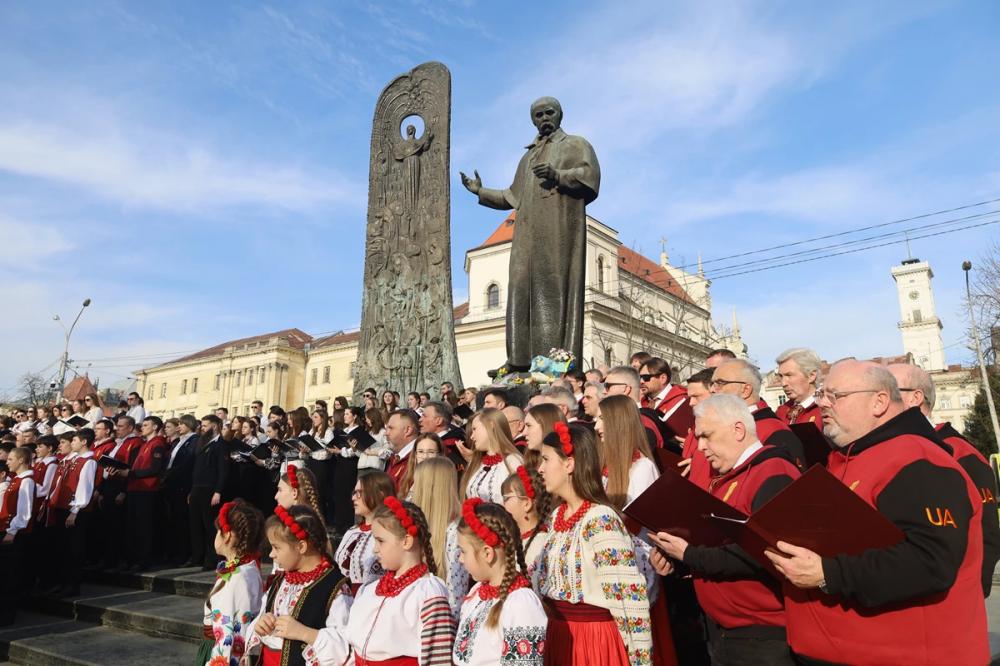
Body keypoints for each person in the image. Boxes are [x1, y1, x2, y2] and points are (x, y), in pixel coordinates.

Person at [765, 360, 988, 664]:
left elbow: (930, 562)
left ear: (880, 401)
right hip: (836, 649)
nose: (822, 403)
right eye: (821, 394)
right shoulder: (847, 456)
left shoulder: (917, 460)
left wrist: (827, 573)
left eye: (835, 396)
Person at [649, 394, 800, 665]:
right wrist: (675, 559)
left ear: (738, 430)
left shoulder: (773, 471)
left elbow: (764, 552)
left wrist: (690, 555)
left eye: (707, 436)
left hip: (763, 636)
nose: (701, 447)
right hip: (725, 631)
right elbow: (713, 541)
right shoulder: (724, 477)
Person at [534, 423, 652, 665]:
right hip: (560, 636)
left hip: (594, 642)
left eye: (546, 459)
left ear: (569, 463)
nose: (540, 468)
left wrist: (641, 660)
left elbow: (629, 600)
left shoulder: (601, 520)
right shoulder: (558, 516)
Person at [889, 362, 1000, 596]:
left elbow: (987, 534)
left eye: (890, 389)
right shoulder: (889, 449)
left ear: (915, 397)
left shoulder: (961, 452)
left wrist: (969, 598)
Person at [344, 497, 455, 665]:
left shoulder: (427, 593)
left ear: (406, 541)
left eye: (380, 541)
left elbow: (438, 660)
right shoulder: (370, 589)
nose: (375, 549)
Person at [245, 505, 347, 665]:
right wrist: (260, 625)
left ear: (301, 546)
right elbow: (259, 621)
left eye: (276, 547)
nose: (271, 554)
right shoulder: (281, 580)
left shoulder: (334, 587)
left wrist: (304, 633)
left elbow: (343, 645)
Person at [453, 499, 547, 665]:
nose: (460, 559)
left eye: (463, 551)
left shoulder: (521, 604)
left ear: (487, 553)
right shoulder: (477, 592)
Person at [197, 499, 264, 666]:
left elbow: (229, 639)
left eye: (218, 531)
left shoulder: (237, 578)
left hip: (220, 653)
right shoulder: (246, 567)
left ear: (227, 535)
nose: (216, 536)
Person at [710, 359, 805, 466]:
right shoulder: (726, 425)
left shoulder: (775, 433)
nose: (712, 390)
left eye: (720, 383)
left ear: (745, 390)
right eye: (712, 383)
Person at [411, 456, 470, 617]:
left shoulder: (455, 533)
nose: (412, 489)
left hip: (439, 625)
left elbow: (455, 598)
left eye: (416, 484)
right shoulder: (414, 526)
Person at [51, 428, 97, 596]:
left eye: (75, 440)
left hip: (76, 510)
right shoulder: (74, 460)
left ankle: (72, 584)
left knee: (74, 548)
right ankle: (63, 582)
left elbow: (84, 488)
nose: (72, 443)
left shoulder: (89, 461)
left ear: (84, 442)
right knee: (63, 547)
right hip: (65, 507)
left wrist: (75, 510)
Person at [594, 395, 659, 508]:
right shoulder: (606, 464)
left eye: (603, 418)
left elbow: (641, 518)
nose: (596, 426)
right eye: (596, 419)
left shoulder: (643, 468)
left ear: (620, 422)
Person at [336, 471, 396, 591]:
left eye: (359, 493)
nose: (353, 498)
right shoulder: (351, 532)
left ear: (379, 494)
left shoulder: (389, 533)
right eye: (354, 493)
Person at [98, 416, 143, 569]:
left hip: (121, 486)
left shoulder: (135, 443)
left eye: (121, 426)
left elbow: (130, 468)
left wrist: (123, 491)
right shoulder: (117, 444)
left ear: (130, 428)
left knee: (116, 525)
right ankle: (107, 558)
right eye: (117, 426)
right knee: (107, 524)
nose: (117, 429)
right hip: (109, 484)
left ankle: (115, 559)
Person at [0, 446, 36, 624]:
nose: (7, 462)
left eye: (10, 459)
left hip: (14, 534)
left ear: (21, 460)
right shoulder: (17, 479)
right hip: (6, 531)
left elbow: (24, 511)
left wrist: (12, 531)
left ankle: (8, 614)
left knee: (10, 574)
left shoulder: (26, 481)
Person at [190, 415, 230, 570]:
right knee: (196, 524)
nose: (202, 428)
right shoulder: (202, 443)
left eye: (206, 426)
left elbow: (223, 471)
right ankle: (197, 556)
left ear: (214, 426)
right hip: (197, 488)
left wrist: (218, 491)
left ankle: (212, 558)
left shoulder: (221, 445)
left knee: (209, 525)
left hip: (210, 490)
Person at [501, 465, 553, 578]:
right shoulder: (515, 540)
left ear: (526, 504)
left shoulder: (540, 545)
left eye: (506, 498)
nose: (502, 504)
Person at [461, 409, 523, 503]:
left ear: (491, 425)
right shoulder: (475, 463)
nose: (472, 437)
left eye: (474, 429)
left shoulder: (513, 462)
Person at [605, 365, 666, 451]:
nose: (604, 391)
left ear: (626, 389)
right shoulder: (625, 417)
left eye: (608, 386)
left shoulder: (643, 423)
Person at [163, 414, 197, 566]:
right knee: (174, 520)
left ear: (189, 425)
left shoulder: (193, 441)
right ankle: (174, 552)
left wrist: (171, 472)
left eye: (182, 424)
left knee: (182, 520)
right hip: (172, 483)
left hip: (182, 484)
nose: (179, 427)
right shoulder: (181, 441)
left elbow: (188, 462)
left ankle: (183, 553)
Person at [639, 357, 693, 444]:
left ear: (663, 378)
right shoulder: (642, 402)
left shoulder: (685, 400)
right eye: (639, 377)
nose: (641, 381)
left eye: (646, 377)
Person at [773, 347, 823, 429]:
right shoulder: (781, 412)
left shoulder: (827, 408)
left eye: (789, 375)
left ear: (811, 376)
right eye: (781, 376)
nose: (783, 383)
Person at [420, 401, 469, 474]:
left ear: (438, 421)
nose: (420, 420)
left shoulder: (450, 447)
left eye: (424, 416)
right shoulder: (434, 442)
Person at [398, 433, 443, 499]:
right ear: (415, 455)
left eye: (431, 452)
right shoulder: (408, 479)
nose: (425, 456)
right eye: (421, 451)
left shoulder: (443, 482)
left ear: (439, 454)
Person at [522, 403, 567, 468]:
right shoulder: (530, 461)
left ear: (546, 425)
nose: (524, 433)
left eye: (529, 425)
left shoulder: (563, 465)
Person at [385, 409, 420, 491]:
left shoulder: (419, 458)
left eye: (391, 428)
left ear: (408, 430)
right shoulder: (396, 457)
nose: (386, 433)